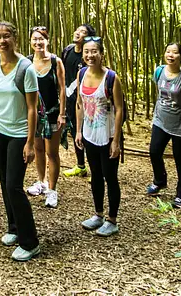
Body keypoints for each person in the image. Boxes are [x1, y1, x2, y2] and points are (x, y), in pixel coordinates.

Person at [0, 21, 41, 262]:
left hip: (19, 134)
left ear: (15, 38)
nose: (2, 41)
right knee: (5, 181)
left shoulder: (26, 68)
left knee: (14, 186)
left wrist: (30, 142)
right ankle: (13, 227)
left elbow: (32, 108)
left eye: (7, 36)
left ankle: (30, 242)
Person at [75, 36, 126, 237]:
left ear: (101, 54)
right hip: (89, 134)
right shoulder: (81, 74)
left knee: (110, 177)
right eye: (86, 51)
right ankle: (98, 214)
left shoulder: (112, 78)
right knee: (95, 175)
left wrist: (116, 140)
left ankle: (112, 220)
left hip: (107, 134)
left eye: (94, 51)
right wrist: (78, 131)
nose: (90, 55)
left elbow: (120, 110)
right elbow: (79, 104)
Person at [146, 42, 181, 208]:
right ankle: (160, 181)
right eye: (168, 51)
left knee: (180, 160)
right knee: (154, 152)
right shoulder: (159, 71)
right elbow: (160, 96)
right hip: (161, 121)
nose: (170, 55)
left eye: (175, 52)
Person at [25, 26, 66, 208]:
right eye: (34, 39)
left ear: (47, 41)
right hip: (34, 114)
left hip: (52, 113)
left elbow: (63, 89)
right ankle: (41, 182)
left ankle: (52, 189)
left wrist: (63, 114)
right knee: (38, 149)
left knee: (52, 153)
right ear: (30, 42)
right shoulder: (26, 62)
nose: (38, 42)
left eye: (41, 39)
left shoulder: (56, 61)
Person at [62, 23, 95, 178]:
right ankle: (80, 165)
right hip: (69, 100)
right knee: (76, 131)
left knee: (89, 133)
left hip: (85, 101)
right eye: (78, 30)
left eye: (83, 32)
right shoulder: (68, 50)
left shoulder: (88, 55)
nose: (78, 33)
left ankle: (97, 168)